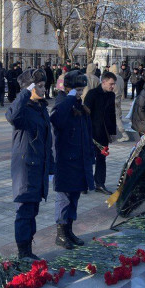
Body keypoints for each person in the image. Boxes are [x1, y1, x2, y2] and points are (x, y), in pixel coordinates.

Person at [6, 68, 53, 260]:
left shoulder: (41, 108)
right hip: (26, 168)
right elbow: (11, 116)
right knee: (25, 211)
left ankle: (28, 249)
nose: (43, 89)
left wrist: (51, 167)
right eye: (39, 86)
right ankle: (23, 252)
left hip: (39, 166)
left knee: (33, 209)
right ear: (30, 88)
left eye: (43, 85)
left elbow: (46, 139)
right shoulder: (23, 110)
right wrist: (26, 91)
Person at [50, 70, 94, 249]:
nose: (80, 93)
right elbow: (57, 119)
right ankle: (60, 233)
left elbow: (86, 133)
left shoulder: (79, 106)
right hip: (66, 160)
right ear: (67, 88)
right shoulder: (63, 103)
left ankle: (69, 230)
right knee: (64, 197)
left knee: (74, 195)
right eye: (77, 89)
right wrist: (69, 98)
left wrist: (90, 154)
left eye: (82, 90)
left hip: (79, 158)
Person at [84, 71, 117, 194]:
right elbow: (85, 114)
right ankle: (84, 183)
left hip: (103, 133)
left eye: (113, 84)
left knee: (101, 158)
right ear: (103, 82)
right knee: (87, 158)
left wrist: (112, 132)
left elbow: (112, 114)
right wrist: (86, 131)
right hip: (91, 132)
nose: (112, 86)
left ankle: (100, 183)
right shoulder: (92, 94)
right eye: (111, 84)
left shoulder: (111, 95)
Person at [110, 63, 129, 142]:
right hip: (118, 99)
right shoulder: (120, 78)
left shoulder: (112, 78)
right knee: (117, 117)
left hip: (112, 99)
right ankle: (113, 134)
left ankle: (124, 134)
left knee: (116, 118)